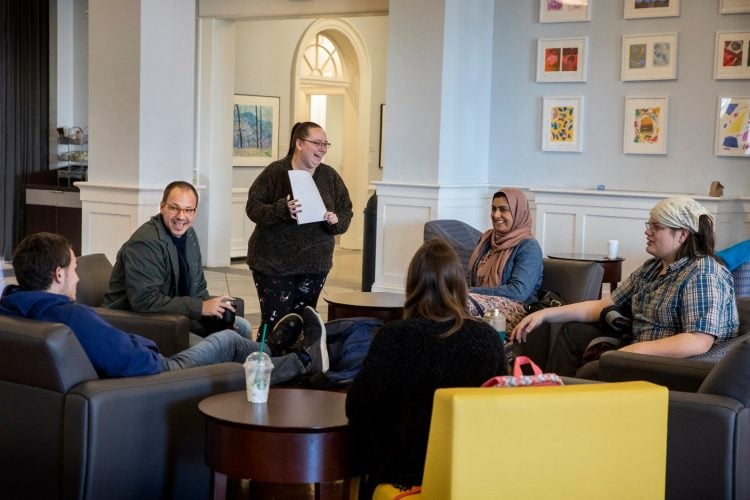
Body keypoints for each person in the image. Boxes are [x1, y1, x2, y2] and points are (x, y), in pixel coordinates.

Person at [0, 232, 327, 382]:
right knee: (226, 341)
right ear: (57, 274)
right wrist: (150, 345)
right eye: (72, 269)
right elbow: (134, 360)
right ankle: (301, 361)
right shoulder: (71, 316)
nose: (77, 278)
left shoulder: (12, 310)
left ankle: (271, 350)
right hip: (154, 377)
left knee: (234, 335)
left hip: (113, 385)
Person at [346, 238, 506, 497]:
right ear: (460, 284)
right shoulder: (487, 338)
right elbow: (498, 408)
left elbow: (359, 406)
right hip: (467, 464)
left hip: (404, 467)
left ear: (412, 284)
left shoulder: (394, 336)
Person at [513, 196, 739, 378]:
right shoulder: (652, 268)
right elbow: (603, 305)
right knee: (573, 332)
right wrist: (545, 314)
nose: (647, 231)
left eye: (656, 227)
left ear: (682, 234)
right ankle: (554, 398)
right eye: (648, 225)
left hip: (667, 364)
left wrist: (630, 353)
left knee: (592, 370)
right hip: (636, 349)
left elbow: (698, 341)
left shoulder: (703, 272)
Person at [103, 181, 252, 339]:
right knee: (223, 343)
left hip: (177, 318)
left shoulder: (190, 235)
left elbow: (198, 289)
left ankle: (252, 363)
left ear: (195, 212)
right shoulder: (145, 243)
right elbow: (144, 301)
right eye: (174, 208)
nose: (181, 216)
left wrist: (213, 316)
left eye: (188, 210)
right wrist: (200, 307)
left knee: (242, 327)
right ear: (162, 207)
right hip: (139, 324)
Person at [245, 121, 353, 332]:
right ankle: (268, 363)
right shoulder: (275, 172)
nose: (322, 148)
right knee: (275, 326)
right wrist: (281, 209)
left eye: (325, 144)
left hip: (314, 265)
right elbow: (253, 208)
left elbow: (346, 211)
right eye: (317, 143)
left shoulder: (330, 176)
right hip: (273, 263)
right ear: (300, 144)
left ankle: (297, 363)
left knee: (302, 324)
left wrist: (335, 221)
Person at [466, 187, 543, 332]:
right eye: (493, 209)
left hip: (516, 309)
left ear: (518, 212)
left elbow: (518, 292)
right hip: (479, 300)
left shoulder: (528, 246)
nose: (496, 215)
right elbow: (470, 277)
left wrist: (470, 291)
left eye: (503, 209)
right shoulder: (487, 239)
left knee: (460, 304)